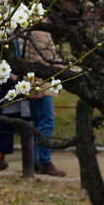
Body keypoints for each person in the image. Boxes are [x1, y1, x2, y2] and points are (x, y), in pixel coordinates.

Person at [20, 30, 67, 177]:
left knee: (36, 123)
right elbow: (36, 61)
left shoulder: (32, 28)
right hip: (42, 85)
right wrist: (37, 87)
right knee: (46, 123)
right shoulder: (39, 31)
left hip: (37, 83)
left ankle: (35, 160)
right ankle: (45, 162)